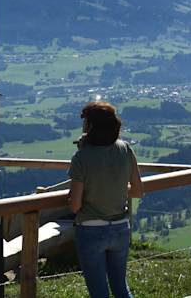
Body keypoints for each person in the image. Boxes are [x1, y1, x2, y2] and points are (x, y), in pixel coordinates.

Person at [68, 101, 144, 298]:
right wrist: (115, 189)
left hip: (91, 229)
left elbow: (75, 205)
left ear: (89, 128)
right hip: (120, 227)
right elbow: (137, 191)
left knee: (99, 292)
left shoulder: (81, 158)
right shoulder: (125, 149)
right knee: (121, 287)